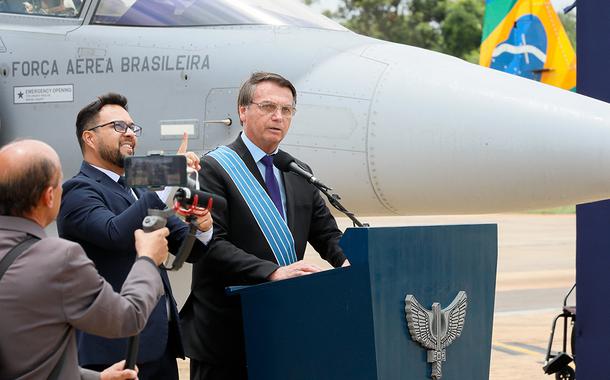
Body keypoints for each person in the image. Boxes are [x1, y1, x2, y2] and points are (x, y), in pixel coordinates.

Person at [180, 72, 350, 380]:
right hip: (227, 332)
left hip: (282, 326)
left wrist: (349, 261)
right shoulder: (213, 168)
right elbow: (211, 244)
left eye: (287, 110)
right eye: (268, 107)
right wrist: (272, 272)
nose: (278, 117)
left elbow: (327, 235)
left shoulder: (298, 171)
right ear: (242, 111)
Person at [57, 93, 212, 380]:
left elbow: (189, 250)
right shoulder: (78, 190)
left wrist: (201, 228)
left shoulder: (139, 189)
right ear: (89, 138)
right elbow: (115, 233)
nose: (130, 134)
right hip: (111, 353)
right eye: (118, 127)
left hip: (159, 344)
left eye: (132, 128)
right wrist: (167, 180)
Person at [0, 139, 170, 380]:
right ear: (49, 196)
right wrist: (147, 260)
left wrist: (97, 378)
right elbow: (127, 317)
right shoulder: (59, 258)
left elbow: (31, 358)